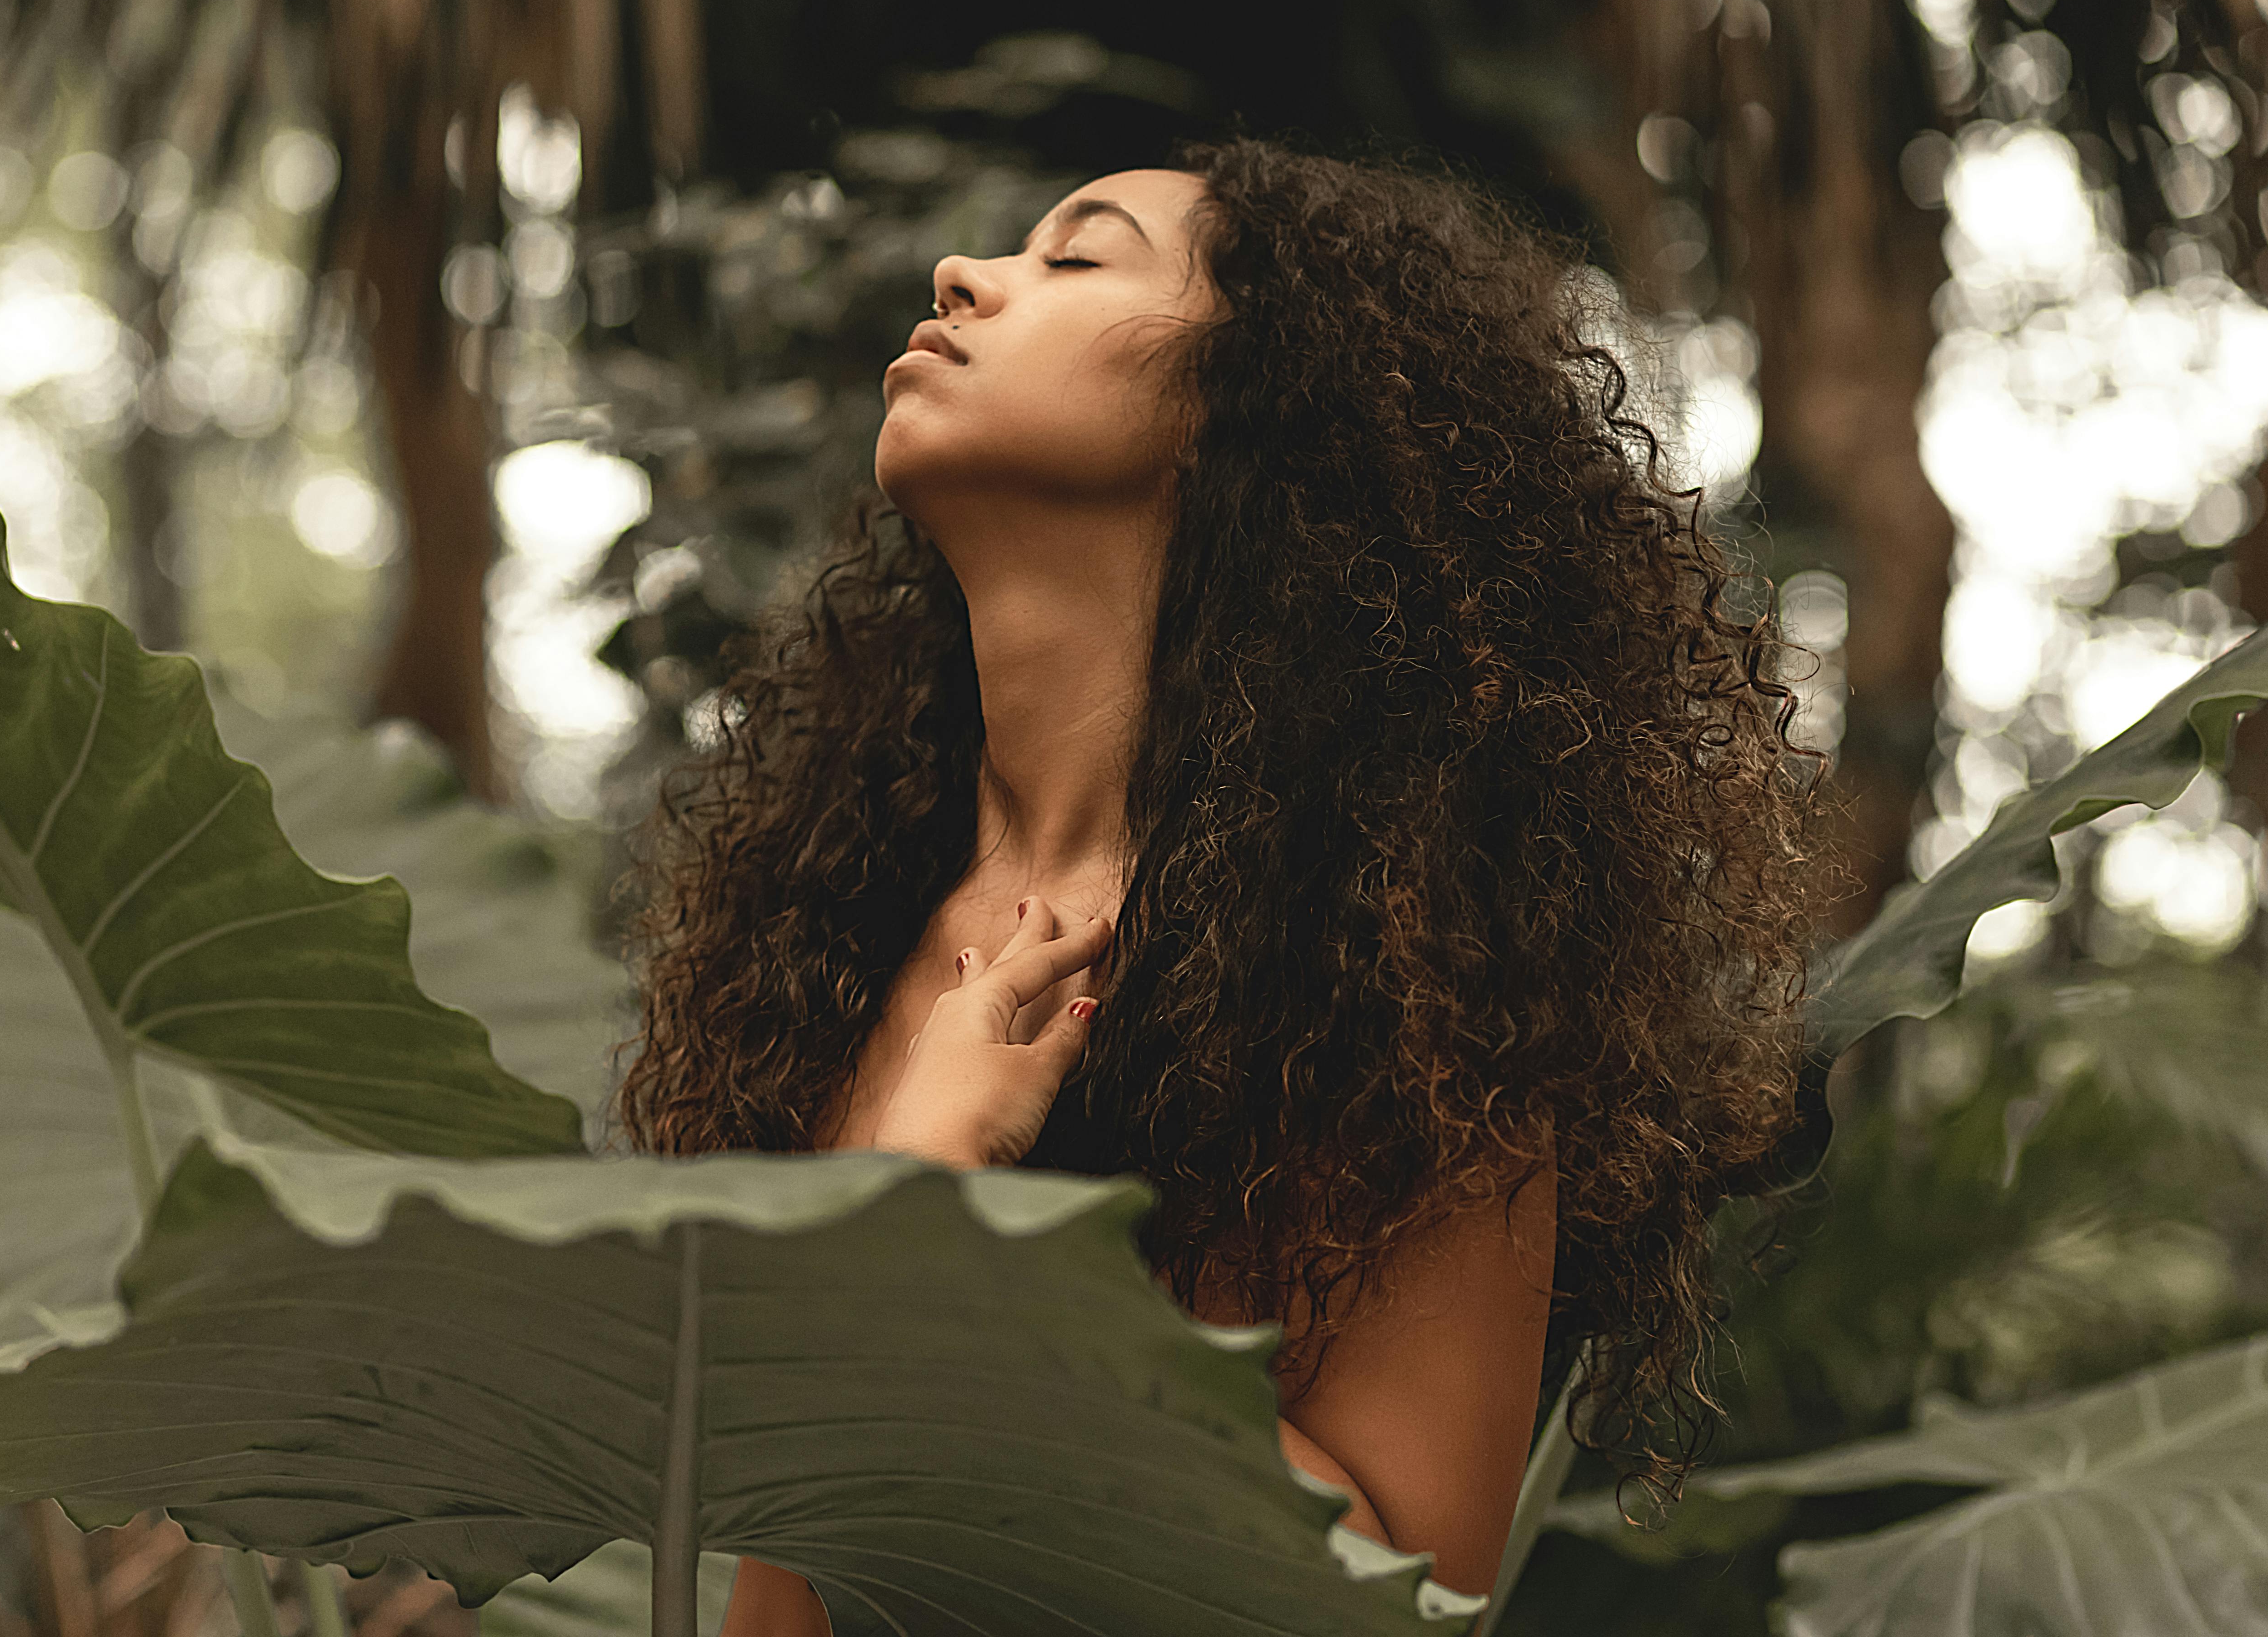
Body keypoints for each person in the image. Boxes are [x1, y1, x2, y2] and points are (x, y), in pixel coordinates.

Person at [615, 138, 1823, 1635]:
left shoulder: (1400, 956)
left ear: (1245, 404)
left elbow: (1409, 1590)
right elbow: (802, 1556)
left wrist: (950, 1244)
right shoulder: (842, 931)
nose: (964, 275)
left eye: (1078, 257)